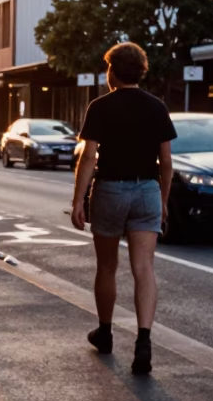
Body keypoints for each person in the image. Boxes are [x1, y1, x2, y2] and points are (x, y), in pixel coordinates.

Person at [71, 42, 176, 375]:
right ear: (141, 71)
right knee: (144, 268)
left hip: (111, 190)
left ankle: (105, 332)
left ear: (112, 71)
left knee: (107, 266)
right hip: (146, 189)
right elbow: (166, 162)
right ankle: (143, 342)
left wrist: (78, 200)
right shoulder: (157, 107)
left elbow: (88, 157)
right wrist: (162, 199)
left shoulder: (100, 107)